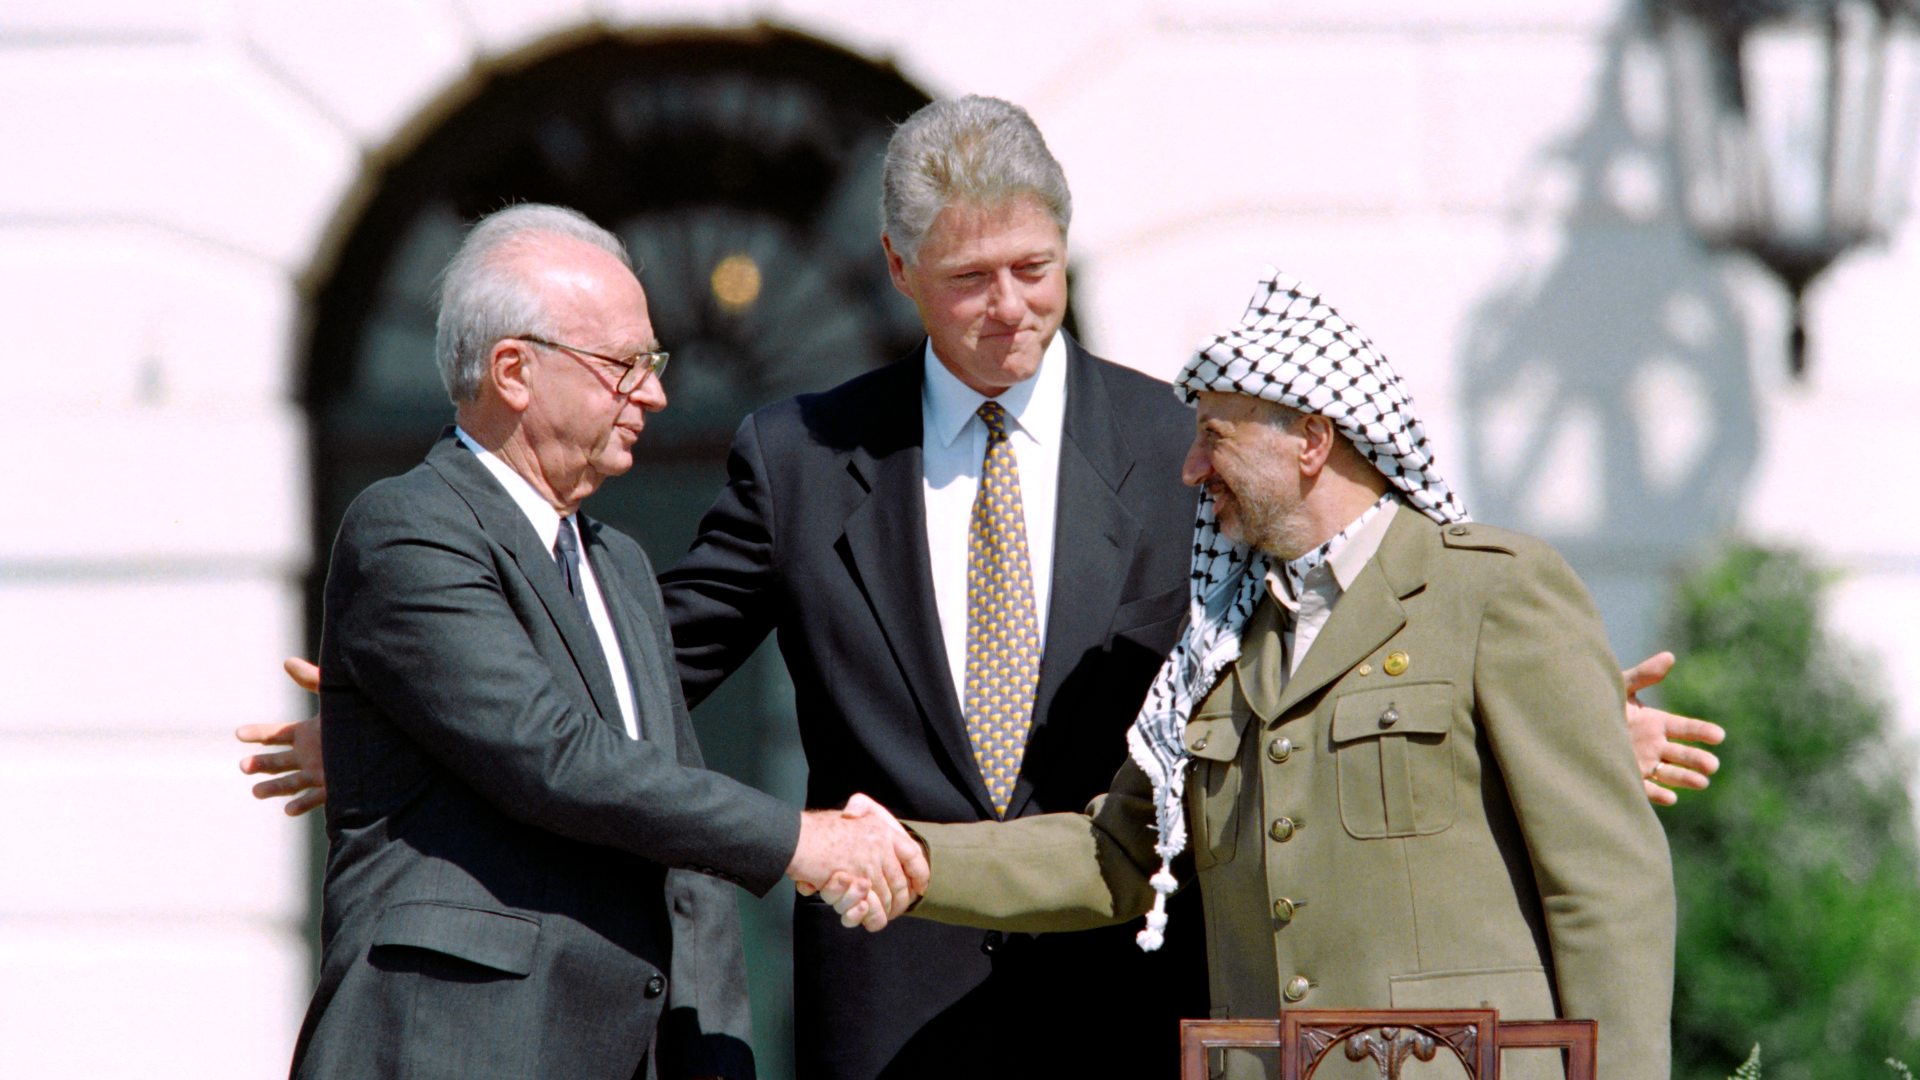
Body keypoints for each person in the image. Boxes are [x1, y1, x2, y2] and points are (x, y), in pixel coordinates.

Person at [243, 99, 1719, 1078]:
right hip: (897, 1016)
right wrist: (412, 733)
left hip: (1153, 1015)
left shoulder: (1189, 446)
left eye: (1038, 267)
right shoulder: (801, 453)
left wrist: (1559, 733)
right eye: (971, 279)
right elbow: (641, 671)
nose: (1011, 305)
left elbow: (1324, 662)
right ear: (898, 269)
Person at [831, 270, 1678, 1080]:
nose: (1191, 469)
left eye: (1215, 436)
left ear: (1312, 441)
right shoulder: (1220, 643)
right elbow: (1116, 851)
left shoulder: (1491, 591)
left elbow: (1606, 892)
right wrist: (911, 855)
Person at [289, 203, 923, 1080]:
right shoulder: (409, 525)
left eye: (652, 364)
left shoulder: (616, 563)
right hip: (458, 1045)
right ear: (513, 369)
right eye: (626, 365)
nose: (656, 393)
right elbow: (554, 755)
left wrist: (717, 1054)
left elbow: (674, 839)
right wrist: (797, 840)